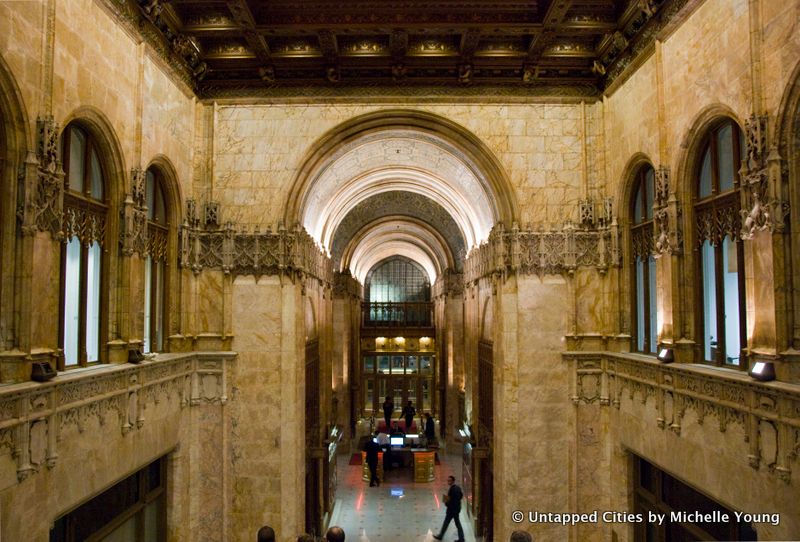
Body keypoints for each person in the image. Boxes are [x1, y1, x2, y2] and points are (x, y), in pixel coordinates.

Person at [433, 475, 464, 542]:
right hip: (456, 509)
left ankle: (461, 539)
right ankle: (441, 535)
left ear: (453, 481)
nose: (448, 482)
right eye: (448, 480)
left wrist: (446, 502)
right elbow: (461, 496)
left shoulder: (452, 489)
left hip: (452, 510)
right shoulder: (457, 488)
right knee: (450, 523)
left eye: (449, 480)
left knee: (453, 523)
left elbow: (451, 501)